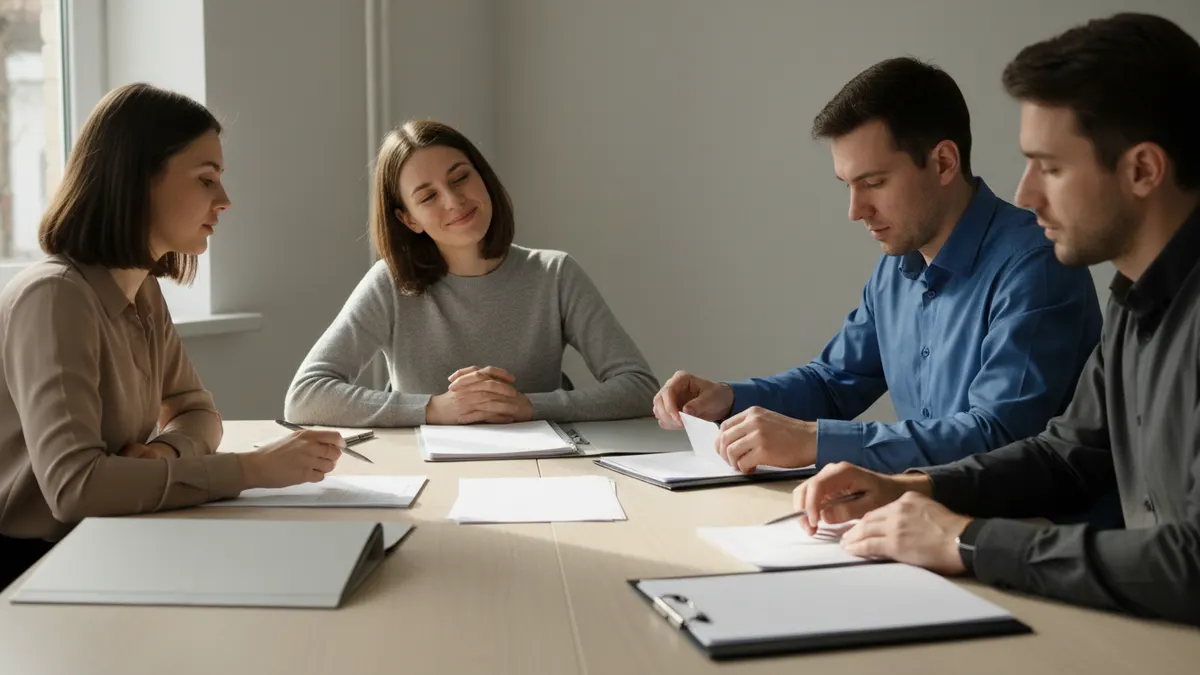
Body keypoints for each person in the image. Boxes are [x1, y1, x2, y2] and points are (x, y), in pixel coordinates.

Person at [796, 13, 1200, 626]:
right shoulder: (1132, 299)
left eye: (1052, 167)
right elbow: (1067, 454)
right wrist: (916, 490)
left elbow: (1191, 563)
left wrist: (965, 540)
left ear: (1143, 170)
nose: (1028, 195)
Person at [654, 57, 1102, 477]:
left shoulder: (1036, 264)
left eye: (873, 183)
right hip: (924, 522)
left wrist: (815, 441)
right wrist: (728, 399)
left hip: (1030, 536)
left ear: (944, 162)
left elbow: (999, 436)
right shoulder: (896, 269)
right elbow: (832, 384)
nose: (856, 210)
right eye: (847, 185)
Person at [0, 83, 345, 588]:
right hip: (31, 571)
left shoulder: (141, 290)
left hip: (107, 544)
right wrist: (249, 470)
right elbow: (75, 489)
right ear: (137, 182)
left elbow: (198, 413)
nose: (225, 201)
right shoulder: (54, 298)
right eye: (207, 180)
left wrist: (164, 454)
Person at [285, 120, 658, 427]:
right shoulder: (389, 283)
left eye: (460, 177)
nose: (454, 200)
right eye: (428, 196)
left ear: (482, 177)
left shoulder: (555, 274)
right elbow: (305, 397)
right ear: (408, 219)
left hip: (545, 471)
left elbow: (640, 388)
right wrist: (434, 409)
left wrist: (530, 406)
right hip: (428, 470)